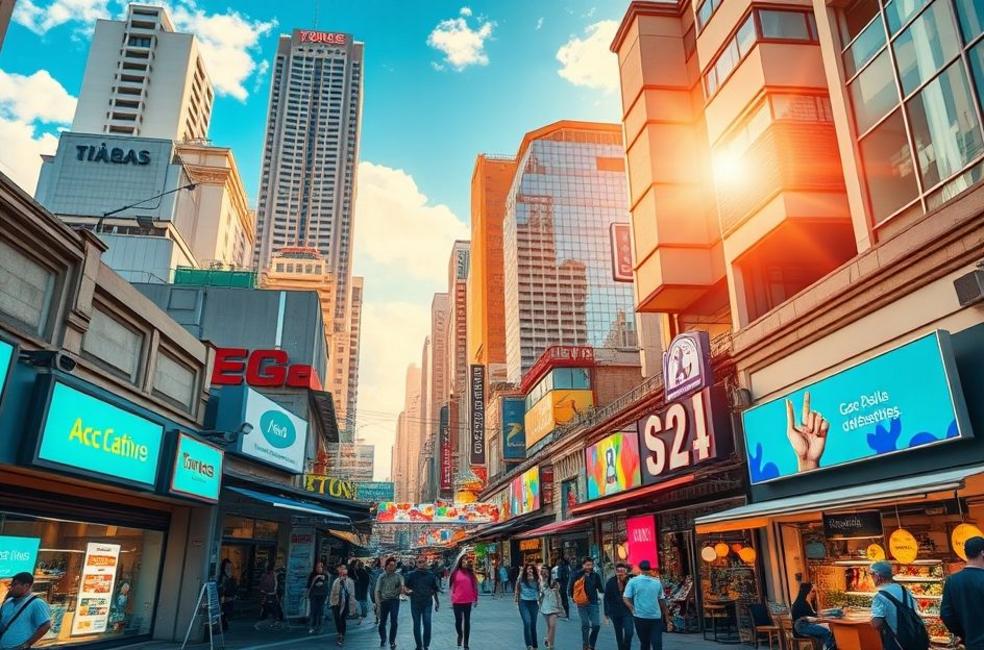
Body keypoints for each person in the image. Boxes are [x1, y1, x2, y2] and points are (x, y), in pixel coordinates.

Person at [869, 561, 927, 649]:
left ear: (878, 576)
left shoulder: (880, 596)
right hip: (914, 639)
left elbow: (876, 624)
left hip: (896, 642)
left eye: (872, 575)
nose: (872, 578)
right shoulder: (905, 590)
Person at [941, 536, 984, 650]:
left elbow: (946, 614)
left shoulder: (951, 581)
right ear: (982, 553)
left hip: (971, 643)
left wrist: (963, 634)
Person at [622, 560, 669, 650]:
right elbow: (662, 601)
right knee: (657, 643)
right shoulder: (657, 582)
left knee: (644, 643)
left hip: (640, 617)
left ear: (640, 569)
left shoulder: (633, 582)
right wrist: (667, 618)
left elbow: (625, 598)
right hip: (655, 617)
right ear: (650, 569)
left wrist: (632, 609)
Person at [0, 572, 51, 650]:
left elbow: (46, 625)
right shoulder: (8, 602)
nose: (11, 588)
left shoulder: (37, 603)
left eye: (15, 585)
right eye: (11, 585)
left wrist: (27, 644)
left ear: (26, 586)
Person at [405, 555, 441, 650]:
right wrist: (407, 592)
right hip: (415, 603)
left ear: (426, 562)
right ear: (416, 563)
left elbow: (434, 589)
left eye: (422, 562)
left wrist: (437, 602)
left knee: (427, 624)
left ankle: (426, 645)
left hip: (427, 603)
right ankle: (418, 645)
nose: (420, 564)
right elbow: (405, 587)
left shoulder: (431, 575)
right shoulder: (411, 575)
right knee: (416, 625)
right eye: (419, 562)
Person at [569, 557, 604, 650]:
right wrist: (572, 597)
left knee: (596, 625)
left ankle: (591, 644)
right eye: (587, 565)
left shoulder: (595, 575)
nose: (589, 567)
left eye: (591, 565)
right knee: (585, 624)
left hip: (593, 602)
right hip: (581, 603)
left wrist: (603, 595)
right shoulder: (577, 575)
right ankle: (585, 645)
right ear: (583, 565)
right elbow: (571, 586)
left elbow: (600, 588)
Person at [791, 582, 836, 650]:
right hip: (801, 627)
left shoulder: (799, 601)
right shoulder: (803, 603)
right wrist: (829, 617)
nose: (814, 593)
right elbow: (815, 617)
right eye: (813, 591)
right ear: (808, 591)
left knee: (822, 633)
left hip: (798, 628)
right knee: (827, 632)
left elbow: (814, 616)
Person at [375, 558, 404, 650]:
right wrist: (378, 604)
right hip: (384, 601)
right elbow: (377, 591)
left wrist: (403, 589)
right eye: (391, 565)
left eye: (394, 565)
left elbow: (402, 586)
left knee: (394, 621)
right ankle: (383, 638)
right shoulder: (381, 577)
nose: (393, 567)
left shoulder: (398, 576)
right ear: (386, 566)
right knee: (382, 622)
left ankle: (392, 641)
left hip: (394, 601)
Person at [449, 556, 479, 649]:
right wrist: (451, 598)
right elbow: (451, 587)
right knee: (458, 621)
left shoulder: (471, 574)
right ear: (460, 562)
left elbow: (475, 586)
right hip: (457, 601)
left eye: (466, 560)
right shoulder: (454, 573)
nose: (465, 562)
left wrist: (476, 599)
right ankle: (460, 634)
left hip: (468, 600)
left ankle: (466, 643)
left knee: (467, 622)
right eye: (463, 560)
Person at [604, 564, 634, 650]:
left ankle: (626, 647)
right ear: (616, 572)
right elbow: (606, 598)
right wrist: (606, 613)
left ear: (626, 572)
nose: (620, 574)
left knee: (629, 632)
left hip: (627, 611)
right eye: (619, 572)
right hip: (615, 612)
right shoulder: (610, 582)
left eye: (622, 572)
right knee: (619, 633)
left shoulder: (630, 581)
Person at [329, 564, 357, 646]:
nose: (342, 575)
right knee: (337, 619)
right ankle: (339, 632)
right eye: (341, 572)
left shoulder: (350, 582)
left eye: (344, 574)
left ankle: (341, 634)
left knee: (342, 619)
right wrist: (331, 602)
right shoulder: (336, 581)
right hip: (336, 603)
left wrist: (352, 608)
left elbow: (352, 594)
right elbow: (332, 593)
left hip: (345, 604)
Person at [514, 563, 540, 650]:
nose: (530, 570)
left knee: (533, 624)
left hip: (534, 603)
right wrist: (516, 599)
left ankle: (535, 645)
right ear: (526, 570)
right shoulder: (521, 578)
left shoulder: (537, 579)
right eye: (528, 569)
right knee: (527, 622)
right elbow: (517, 588)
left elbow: (541, 589)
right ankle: (529, 645)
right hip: (523, 602)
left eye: (532, 569)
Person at [539, 565, 563, 650]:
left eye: (545, 570)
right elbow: (541, 592)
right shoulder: (541, 581)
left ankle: (551, 645)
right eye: (542, 570)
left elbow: (558, 588)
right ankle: (547, 639)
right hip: (545, 606)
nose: (544, 572)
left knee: (552, 625)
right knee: (549, 626)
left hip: (554, 606)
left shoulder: (554, 580)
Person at [255, 561, 283, 630]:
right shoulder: (268, 575)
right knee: (271, 607)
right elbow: (265, 585)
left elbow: (274, 584)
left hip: (270, 594)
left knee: (271, 607)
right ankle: (273, 619)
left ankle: (274, 619)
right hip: (269, 594)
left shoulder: (272, 574)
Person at [307, 561, 330, 634]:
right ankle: (312, 627)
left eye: (320, 566)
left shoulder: (325, 575)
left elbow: (325, 583)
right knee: (313, 610)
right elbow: (309, 585)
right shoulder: (312, 574)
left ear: (322, 567)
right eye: (317, 567)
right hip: (313, 595)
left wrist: (321, 582)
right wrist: (316, 578)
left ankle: (320, 627)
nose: (318, 568)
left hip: (322, 595)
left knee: (321, 611)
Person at [218, 559, 237, 633]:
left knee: (227, 614)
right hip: (225, 600)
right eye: (227, 568)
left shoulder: (231, 578)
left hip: (230, 599)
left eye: (230, 567)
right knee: (224, 614)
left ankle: (224, 625)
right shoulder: (223, 578)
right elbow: (223, 590)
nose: (229, 569)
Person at [351, 560, 371, 625]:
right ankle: (362, 613)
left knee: (362, 600)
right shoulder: (357, 571)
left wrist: (356, 581)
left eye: (356, 565)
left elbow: (365, 580)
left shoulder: (361, 571)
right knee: (361, 600)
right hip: (361, 588)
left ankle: (363, 613)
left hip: (362, 588)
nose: (355, 566)